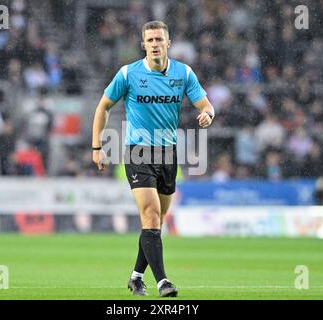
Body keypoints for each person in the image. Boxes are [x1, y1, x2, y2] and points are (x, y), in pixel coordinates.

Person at [91, 21, 215, 297]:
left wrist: (209, 114)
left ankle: (136, 276)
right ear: (144, 44)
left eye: (159, 39)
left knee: (155, 223)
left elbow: (205, 105)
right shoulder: (128, 73)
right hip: (138, 152)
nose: (155, 44)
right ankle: (163, 282)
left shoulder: (183, 73)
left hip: (168, 154)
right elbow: (103, 107)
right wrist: (97, 147)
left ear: (168, 43)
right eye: (150, 40)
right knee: (149, 214)